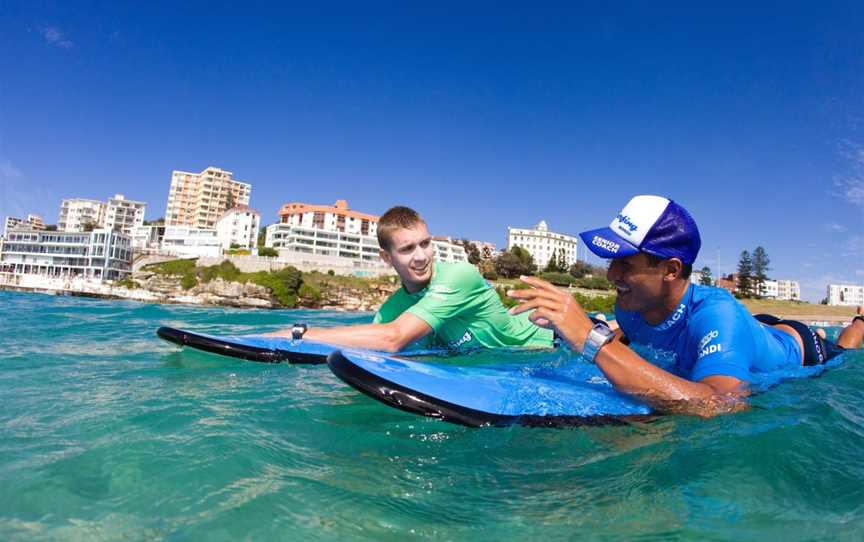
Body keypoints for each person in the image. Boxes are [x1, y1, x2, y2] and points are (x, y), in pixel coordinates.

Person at [509, 195, 864, 416]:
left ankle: (859, 322)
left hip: (803, 348)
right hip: (741, 334)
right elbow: (634, 348)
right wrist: (580, 328)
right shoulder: (630, 307)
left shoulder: (716, 315)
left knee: (845, 349)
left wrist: (590, 337)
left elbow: (721, 405)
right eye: (611, 260)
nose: (611, 273)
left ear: (671, 270)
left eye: (625, 262)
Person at [267, 206, 554, 352]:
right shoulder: (391, 311)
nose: (421, 256)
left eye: (425, 243)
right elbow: (376, 348)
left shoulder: (459, 276)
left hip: (543, 347)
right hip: (491, 365)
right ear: (387, 258)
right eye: (407, 249)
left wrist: (298, 334)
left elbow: (393, 339)